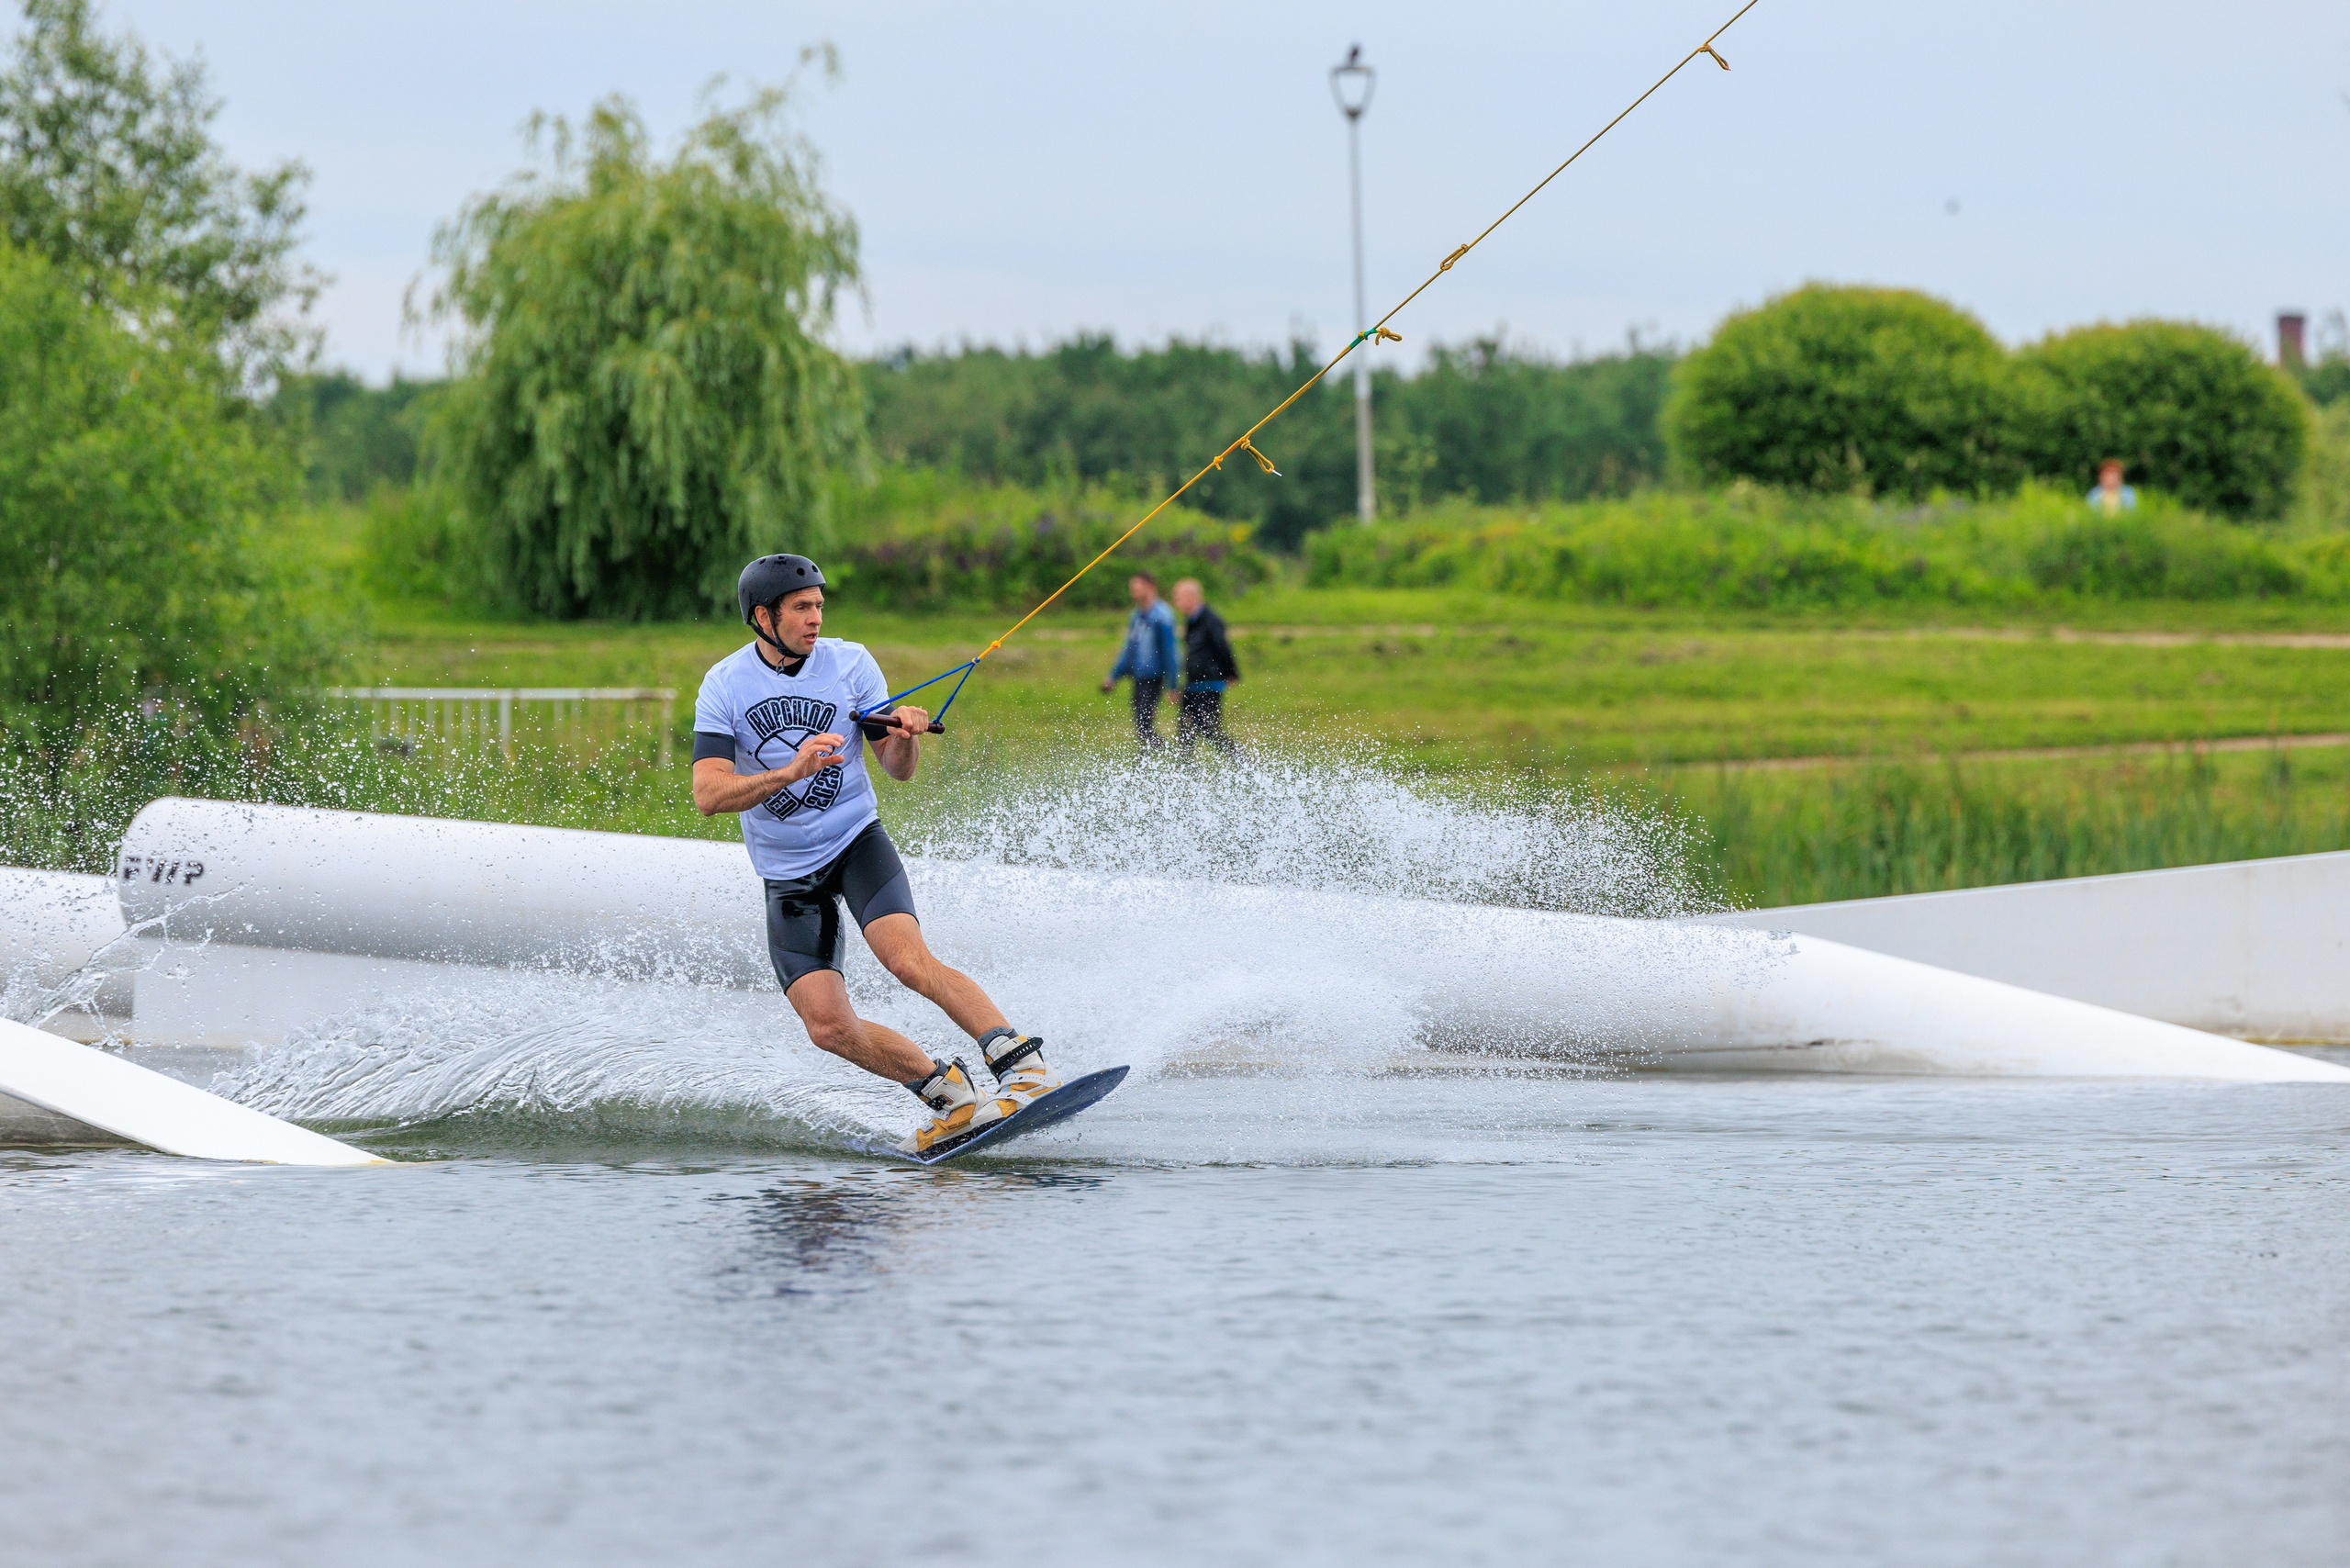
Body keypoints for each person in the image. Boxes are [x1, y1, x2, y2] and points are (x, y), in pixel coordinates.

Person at [691, 554, 1060, 1157]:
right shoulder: (725, 685)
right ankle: (946, 1092)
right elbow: (709, 794)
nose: (815, 618)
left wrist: (906, 739)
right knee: (827, 1027)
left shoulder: (851, 663)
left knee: (908, 961)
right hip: (787, 876)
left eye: (818, 606)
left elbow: (895, 768)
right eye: (801, 608)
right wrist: (792, 771)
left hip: (854, 841)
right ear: (763, 616)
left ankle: (1022, 1064)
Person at [1100, 572, 1179, 754]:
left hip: (1153, 679)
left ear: (1150, 587)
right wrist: (1114, 676)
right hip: (1138, 678)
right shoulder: (1137, 616)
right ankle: (1150, 761)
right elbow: (1129, 649)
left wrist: (1173, 686)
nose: (1133, 591)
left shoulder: (1163, 616)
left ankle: (1165, 755)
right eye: (1132, 588)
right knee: (1141, 727)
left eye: (1137, 587)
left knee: (1144, 726)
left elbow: (1170, 652)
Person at [1171, 577, 1240, 758]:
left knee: (1209, 729)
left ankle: (1241, 761)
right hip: (1193, 684)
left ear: (1191, 597)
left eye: (1178, 597)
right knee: (1185, 731)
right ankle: (1184, 772)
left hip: (1209, 683)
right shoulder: (1191, 621)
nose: (1176, 602)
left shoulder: (1210, 620)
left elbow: (1222, 647)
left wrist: (1231, 672)